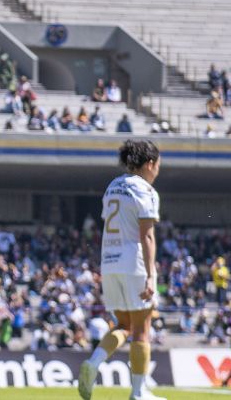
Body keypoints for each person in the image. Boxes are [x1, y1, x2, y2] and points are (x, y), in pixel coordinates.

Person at [78, 139, 164, 400]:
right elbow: (146, 236)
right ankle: (138, 393)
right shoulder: (146, 190)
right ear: (149, 164)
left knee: (124, 324)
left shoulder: (113, 187)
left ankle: (92, 363)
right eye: (158, 165)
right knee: (141, 328)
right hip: (134, 262)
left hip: (110, 262)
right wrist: (150, 275)